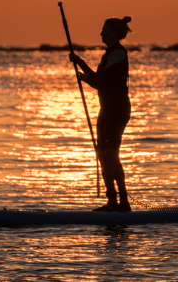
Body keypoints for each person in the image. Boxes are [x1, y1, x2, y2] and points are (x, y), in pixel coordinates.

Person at [69, 16, 133, 212]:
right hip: (106, 110)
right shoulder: (108, 55)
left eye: (104, 30)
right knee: (102, 154)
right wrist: (81, 66)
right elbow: (99, 81)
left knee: (111, 154)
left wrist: (83, 69)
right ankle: (112, 201)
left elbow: (102, 81)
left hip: (118, 110)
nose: (101, 33)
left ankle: (124, 202)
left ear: (114, 33)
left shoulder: (118, 54)